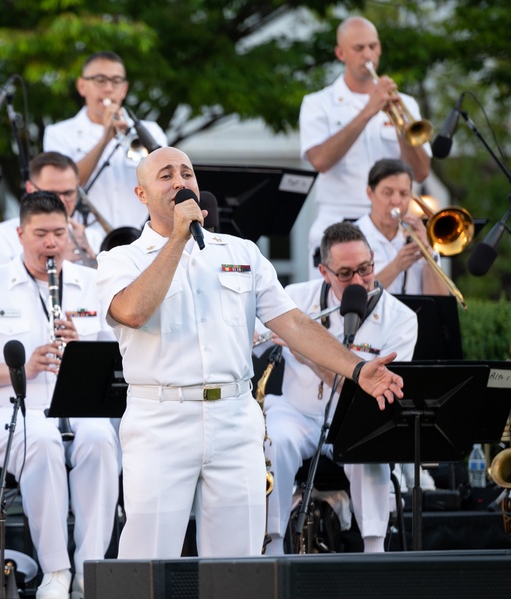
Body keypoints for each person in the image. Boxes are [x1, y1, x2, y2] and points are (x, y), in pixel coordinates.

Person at [95, 146, 405, 558]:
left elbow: (293, 323)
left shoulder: (240, 253)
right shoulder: (121, 259)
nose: (180, 182)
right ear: (141, 194)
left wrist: (358, 369)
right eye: (165, 175)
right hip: (160, 419)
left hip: (234, 417)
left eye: (187, 173)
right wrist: (177, 239)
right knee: (149, 558)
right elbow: (132, 312)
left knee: (237, 564)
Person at [0, 191, 120, 599]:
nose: (51, 243)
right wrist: (20, 370)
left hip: (78, 410)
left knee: (101, 439)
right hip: (4, 413)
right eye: (40, 234)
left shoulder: (91, 284)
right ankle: (56, 572)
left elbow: (119, 361)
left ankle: (90, 571)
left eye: (59, 233)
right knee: (40, 439)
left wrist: (81, 351)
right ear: (21, 235)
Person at [260, 222, 417, 555]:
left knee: (369, 451)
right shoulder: (295, 298)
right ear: (324, 271)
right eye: (345, 274)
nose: (358, 281)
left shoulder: (401, 318)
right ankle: (273, 548)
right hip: (298, 412)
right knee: (276, 440)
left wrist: (309, 356)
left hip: (356, 417)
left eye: (365, 269)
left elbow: (375, 392)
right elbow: (252, 342)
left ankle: (374, 550)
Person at [299, 16, 431, 276]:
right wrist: (368, 111)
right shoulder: (317, 103)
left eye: (373, 46)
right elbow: (320, 161)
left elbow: (421, 172)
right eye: (359, 48)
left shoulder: (405, 103)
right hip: (339, 220)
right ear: (341, 53)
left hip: (392, 223)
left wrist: (402, 129)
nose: (368, 55)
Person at [44, 51, 167, 231]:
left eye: (116, 81)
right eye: (100, 80)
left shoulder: (151, 131)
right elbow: (62, 185)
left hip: (139, 238)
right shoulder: (58, 133)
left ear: (124, 89)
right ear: (82, 86)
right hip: (86, 237)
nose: (109, 88)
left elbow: (165, 183)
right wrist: (106, 138)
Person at [0, 151, 103, 268]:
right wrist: (57, 261)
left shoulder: (93, 237)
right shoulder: (2, 236)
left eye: (68, 193)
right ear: (30, 188)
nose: (61, 201)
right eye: (52, 193)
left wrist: (94, 262)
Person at [355, 159, 448, 296]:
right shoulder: (351, 238)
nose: (396, 201)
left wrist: (429, 255)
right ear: (370, 193)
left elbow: (440, 301)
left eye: (404, 194)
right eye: (388, 193)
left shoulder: (418, 238)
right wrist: (396, 266)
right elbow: (350, 298)